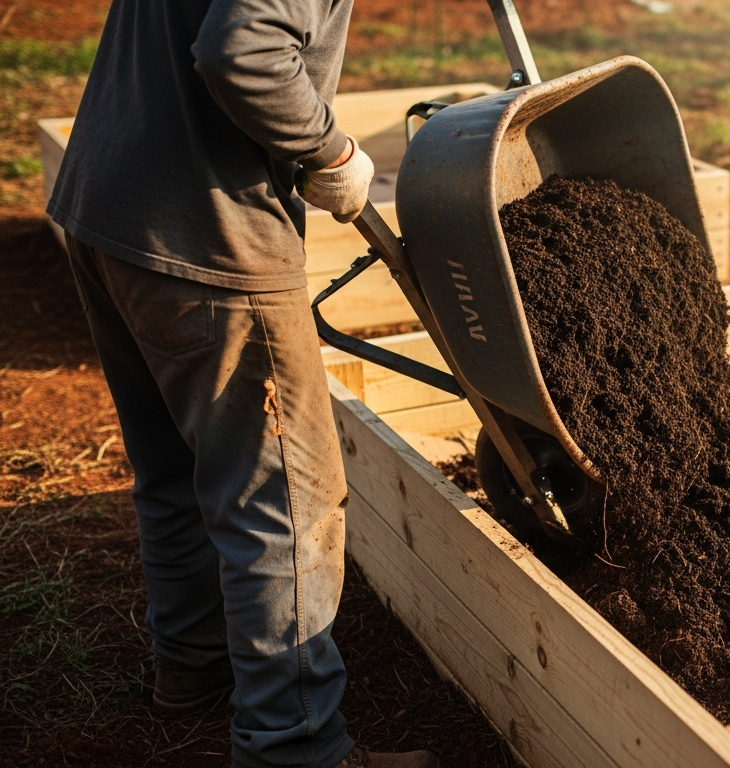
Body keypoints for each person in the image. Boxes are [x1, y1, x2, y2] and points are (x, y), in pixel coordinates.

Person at [47, 1, 435, 766]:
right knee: (286, 507)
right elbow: (242, 49)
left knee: (178, 468)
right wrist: (330, 152)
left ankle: (191, 663)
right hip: (209, 236)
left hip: (110, 204)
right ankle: (296, 748)